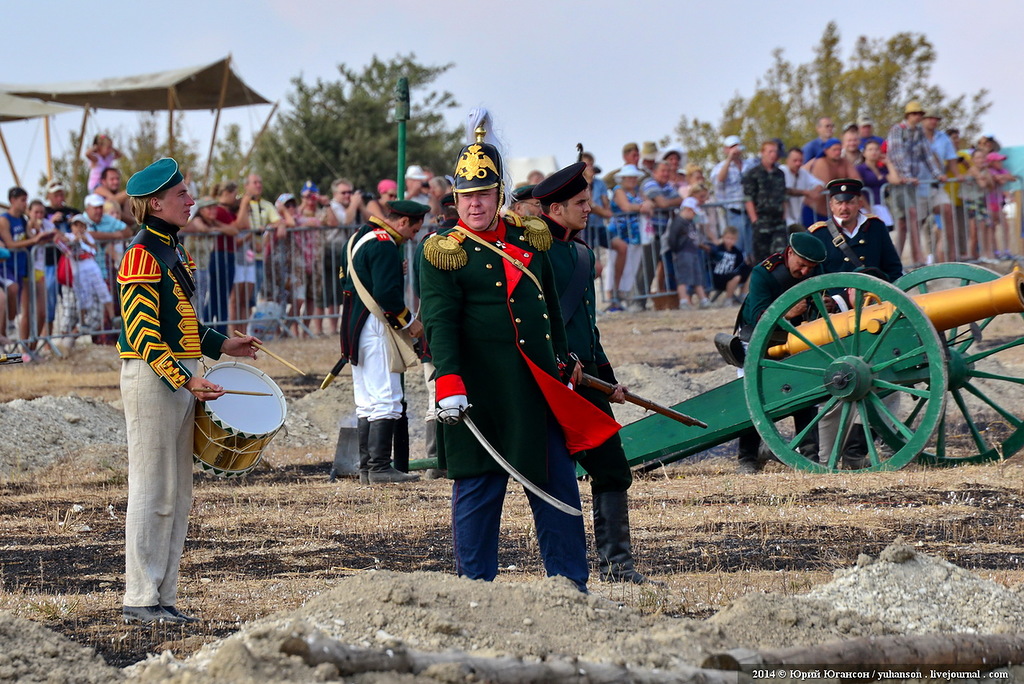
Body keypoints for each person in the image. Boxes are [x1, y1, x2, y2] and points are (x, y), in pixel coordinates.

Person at [418, 126, 619, 592]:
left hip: (535, 388)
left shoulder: (531, 238)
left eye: (483, 194)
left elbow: (548, 304)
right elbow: (441, 325)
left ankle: (570, 589)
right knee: (478, 492)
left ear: (499, 192)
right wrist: (448, 382)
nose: (474, 205)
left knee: (556, 491)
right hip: (478, 392)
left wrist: (564, 355)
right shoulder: (442, 252)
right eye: (466, 195)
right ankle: (475, 591)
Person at [117, 157, 259, 625]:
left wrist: (224, 345)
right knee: (152, 488)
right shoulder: (142, 253)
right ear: (155, 202)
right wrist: (184, 378)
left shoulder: (171, 249)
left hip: (178, 374)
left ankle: (162, 596)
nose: (190, 200)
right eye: (181, 195)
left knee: (177, 494)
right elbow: (141, 330)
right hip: (154, 376)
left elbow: (181, 321)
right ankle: (140, 597)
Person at [533, 162, 654, 584]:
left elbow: (588, 327)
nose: (590, 208)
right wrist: (560, 361)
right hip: (551, 380)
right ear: (554, 208)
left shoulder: (582, 253)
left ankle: (617, 565)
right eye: (581, 203)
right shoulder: (535, 252)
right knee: (553, 478)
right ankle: (563, 571)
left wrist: (609, 379)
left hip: (588, 381)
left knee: (612, 467)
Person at [809, 178, 903, 467]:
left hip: (874, 313)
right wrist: (841, 302)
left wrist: (877, 297)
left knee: (885, 381)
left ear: (859, 202)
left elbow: (894, 270)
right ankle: (820, 452)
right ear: (831, 204)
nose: (844, 206)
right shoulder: (820, 234)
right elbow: (812, 281)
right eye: (839, 202)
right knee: (835, 386)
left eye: (850, 201)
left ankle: (856, 450)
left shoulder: (875, 228)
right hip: (836, 319)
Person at [338, 199, 427, 484]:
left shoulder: (357, 238)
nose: (413, 236)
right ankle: (379, 467)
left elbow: (349, 280)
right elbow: (388, 297)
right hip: (374, 325)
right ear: (402, 222)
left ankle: (367, 468)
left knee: (366, 400)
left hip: (353, 324)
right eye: (414, 229)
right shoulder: (384, 244)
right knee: (387, 397)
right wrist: (410, 323)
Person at [728, 232, 827, 473]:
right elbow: (758, 316)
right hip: (756, 338)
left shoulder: (816, 271)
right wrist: (789, 313)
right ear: (789, 253)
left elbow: (820, 300)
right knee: (752, 396)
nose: (805, 272)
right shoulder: (764, 272)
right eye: (801, 265)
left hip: (797, 339)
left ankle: (810, 456)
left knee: (805, 392)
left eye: (810, 268)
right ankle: (747, 458)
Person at [66, 214, 114, 333]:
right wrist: (74, 241)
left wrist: (85, 241)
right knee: (82, 296)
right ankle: (82, 322)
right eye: (76, 225)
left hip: (91, 266)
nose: (78, 228)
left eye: (81, 225)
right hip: (78, 269)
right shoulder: (68, 236)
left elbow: (94, 249)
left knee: (103, 290)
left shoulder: (87, 236)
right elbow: (64, 245)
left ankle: (113, 319)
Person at [742, 140, 788, 262]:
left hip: (778, 221)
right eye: (770, 151)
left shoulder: (780, 174)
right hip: (761, 221)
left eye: (775, 151)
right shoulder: (753, 174)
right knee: (763, 260)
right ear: (762, 153)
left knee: (781, 256)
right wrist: (755, 220)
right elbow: (748, 198)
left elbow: (783, 196)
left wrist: (784, 216)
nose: (773, 154)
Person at [665, 197, 711, 309]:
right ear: (688, 209)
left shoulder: (689, 222)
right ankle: (684, 300)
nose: (694, 215)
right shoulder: (678, 222)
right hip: (683, 252)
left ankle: (703, 299)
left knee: (697, 276)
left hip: (692, 251)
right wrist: (677, 250)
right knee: (684, 277)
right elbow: (672, 239)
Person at [781, 147, 822, 229]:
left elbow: (819, 183)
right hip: (782, 218)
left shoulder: (803, 173)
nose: (798, 163)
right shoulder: (781, 171)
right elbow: (783, 189)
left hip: (796, 219)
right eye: (795, 160)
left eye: (800, 161)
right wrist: (806, 193)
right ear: (787, 160)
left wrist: (815, 191)